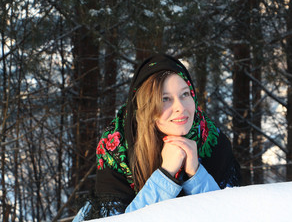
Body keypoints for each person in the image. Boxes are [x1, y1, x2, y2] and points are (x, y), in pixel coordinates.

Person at [73, 54, 242, 221]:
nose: (180, 107)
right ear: (145, 106)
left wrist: (196, 174)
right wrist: (165, 174)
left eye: (185, 94)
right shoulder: (117, 149)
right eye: (165, 99)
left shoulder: (213, 141)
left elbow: (233, 216)